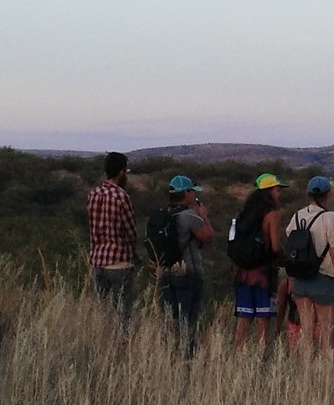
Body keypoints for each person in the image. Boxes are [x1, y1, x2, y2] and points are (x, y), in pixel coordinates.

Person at [283, 175, 334, 354]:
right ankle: (325, 375)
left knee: (306, 332)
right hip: (324, 281)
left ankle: (306, 373)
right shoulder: (330, 217)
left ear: (309, 194)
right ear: (328, 194)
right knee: (328, 335)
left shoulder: (297, 216)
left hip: (300, 281)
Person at [152, 174, 215, 352]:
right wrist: (204, 216)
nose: (194, 195)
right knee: (187, 320)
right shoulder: (189, 216)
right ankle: (186, 356)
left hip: (165, 273)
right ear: (185, 193)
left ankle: (168, 355)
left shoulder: (163, 215)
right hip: (188, 274)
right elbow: (208, 236)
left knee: (169, 319)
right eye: (192, 192)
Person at [226, 173, 286, 351]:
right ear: (268, 192)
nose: (279, 193)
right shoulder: (272, 214)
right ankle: (259, 359)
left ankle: (237, 357)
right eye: (276, 190)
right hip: (264, 275)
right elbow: (275, 247)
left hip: (244, 273)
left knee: (243, 320)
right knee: (263, 320)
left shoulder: (245, 213)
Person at [85, 151, 137, 319]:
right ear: (121, 172)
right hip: (119, 262)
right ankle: (122, 344)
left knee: (99, 313)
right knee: (123, 314)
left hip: (98, 261)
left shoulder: (93, 194)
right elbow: (130, 231)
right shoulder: (122, 196)